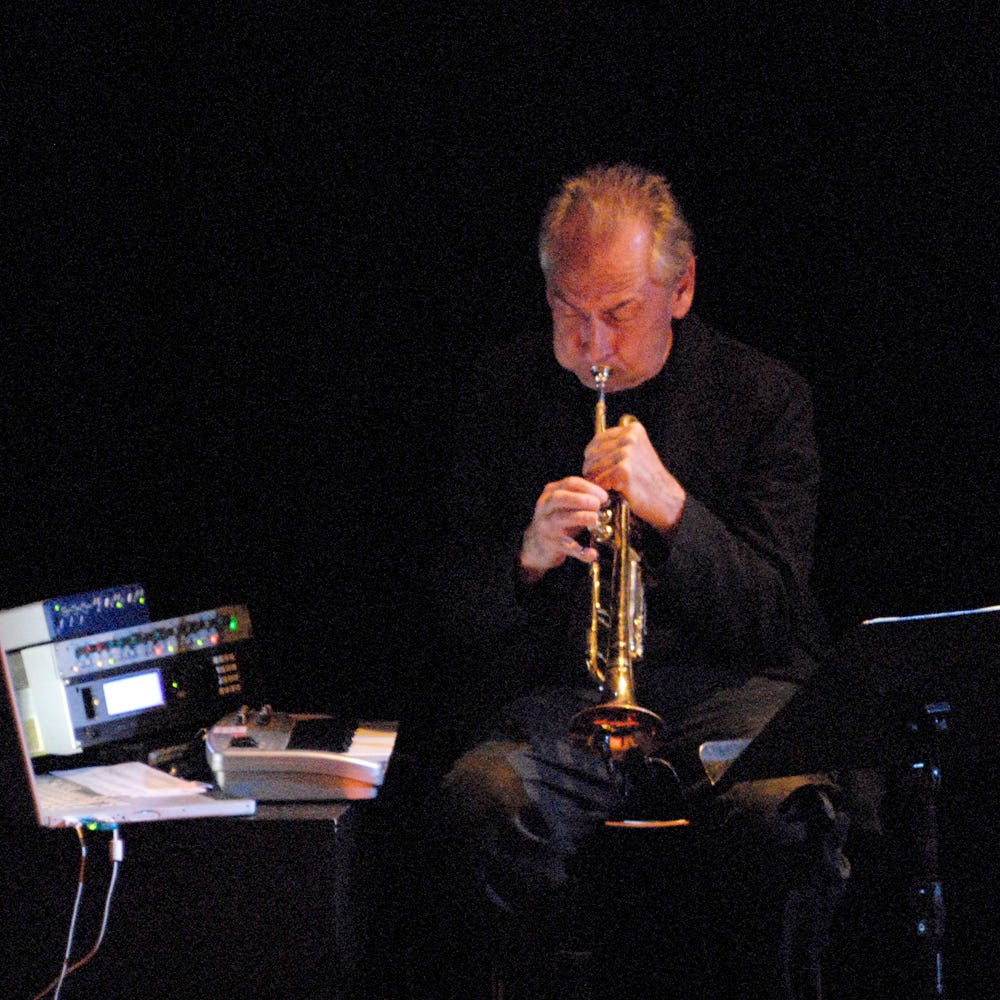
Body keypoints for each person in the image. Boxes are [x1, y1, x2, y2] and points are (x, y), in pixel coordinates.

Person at [414, 164, 852, 1000]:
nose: (592, 347)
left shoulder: (764, 397)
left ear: (680, 290)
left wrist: (675, 510)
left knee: (787, 812)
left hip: (730, 692)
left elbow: (771, 616)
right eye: (568, 312)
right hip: (562, 703)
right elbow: (448, 614)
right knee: (482, 801)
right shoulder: (501, 393)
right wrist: (526, 557)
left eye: (617, 313)